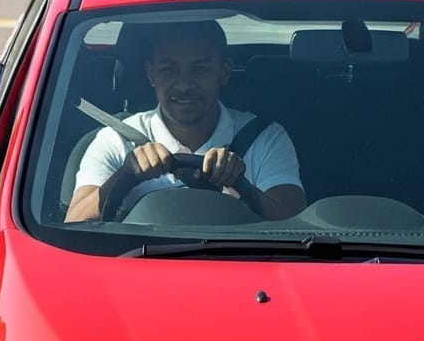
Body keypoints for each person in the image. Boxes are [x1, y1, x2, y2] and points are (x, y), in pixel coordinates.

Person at [66, 19, 305, 223]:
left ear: (224, 72)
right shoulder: (116, 140)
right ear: (151, 74)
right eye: (169, 70)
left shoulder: (264, 139)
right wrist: (125, 175)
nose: (184, 84)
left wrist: (240, 184)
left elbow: (297, 226)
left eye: (200, 69)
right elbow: (73, 222)